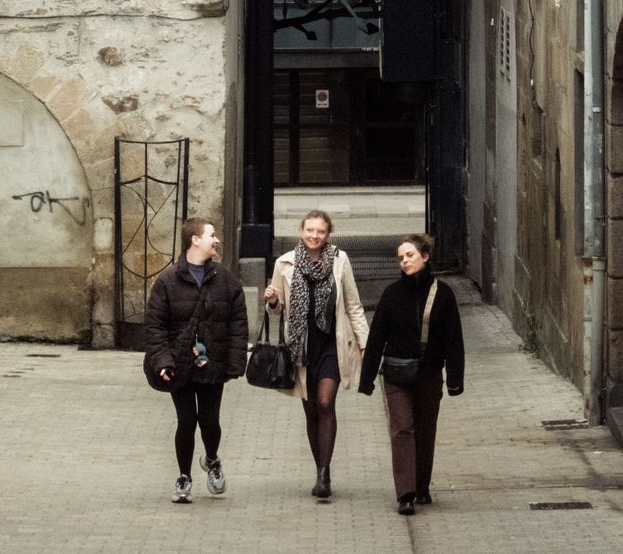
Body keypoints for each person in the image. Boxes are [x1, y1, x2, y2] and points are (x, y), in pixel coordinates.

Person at [263, 209, 369, 499]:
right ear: (301, 231)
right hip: (301, 350)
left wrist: (365, 343)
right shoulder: (284, 263)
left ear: (327, 234)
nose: (314, 236)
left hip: (332, 346)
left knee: (325, 403)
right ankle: (321, 467)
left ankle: (324, 473)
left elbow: (353, 305)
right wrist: (272, 302)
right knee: (311, 412)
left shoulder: (339, 260)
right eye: (310, 230)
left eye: (320, 231)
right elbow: (276, 313)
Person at [143, 217, 249, 503]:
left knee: (210, 421)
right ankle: (184, 476)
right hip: (180, 364)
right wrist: (162, 361)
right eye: (211, 235)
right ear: (195, 240)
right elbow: (155, 327)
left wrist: (235, 362)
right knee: (187, 420)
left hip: (212, 363)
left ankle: (212, 460)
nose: (216, 240)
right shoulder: (167, 282)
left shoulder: (226, 281)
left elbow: (238, 323)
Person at [358, 233, 464, 515]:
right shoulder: (392, 294)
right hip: (396, 373)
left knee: (425, 431)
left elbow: (454, 339)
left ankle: (422, 485)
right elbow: (377, 336)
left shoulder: (443, 294)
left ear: (425, 257)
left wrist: (455, 379)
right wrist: (367, 379)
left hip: (429, 374)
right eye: (401, 258)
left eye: (410, 256)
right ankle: (405, 493)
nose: (404, 262)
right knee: (402, 428)